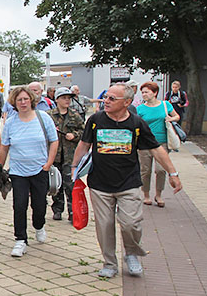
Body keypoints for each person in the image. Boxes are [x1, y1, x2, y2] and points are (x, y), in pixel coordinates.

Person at [71, 83, 182, 278]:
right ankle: (109, 263)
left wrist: (173, 174)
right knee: (104, 226)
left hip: (129, 183)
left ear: (127, 102)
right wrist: (73, 168)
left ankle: (131, 253)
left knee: (131, 223)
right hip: (100, 184)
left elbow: (156, 149)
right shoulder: (96, 120)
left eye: (112, 98)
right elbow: (84, 144)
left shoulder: (137, 123)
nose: (106, 101)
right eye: (106, 97)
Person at [0, 86, 59, 258]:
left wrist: (49, 163)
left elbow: (54, 141)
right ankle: (20, 239)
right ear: (14, 103)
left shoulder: (43, 118)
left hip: (39, 169)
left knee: (39, 205)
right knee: (19, 204)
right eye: (19, 100)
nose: (23, 103)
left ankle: (39, 225)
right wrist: (0, 167)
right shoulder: (10, 122)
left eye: (25, 99)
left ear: (31, 100)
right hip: (18, 171)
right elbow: (5, 146)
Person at [136, 81, 179, 207]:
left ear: (154, 93)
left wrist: (170, 119)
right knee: (145, 170)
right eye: (142, 92)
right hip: (144, 143)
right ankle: (146, 195)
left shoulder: (165, 105)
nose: (144, 94)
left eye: (146, 92)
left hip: (162, 142)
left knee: (161, 170)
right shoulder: (140, 109)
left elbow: (176, 116)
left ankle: (159, 194)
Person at [47, 87, 84, 221]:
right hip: (54, 155)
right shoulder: (49, 115)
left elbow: (83, 132)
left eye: (68, 98)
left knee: (70, 185)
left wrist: (74, 135)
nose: (67, 100)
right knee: (56, 184)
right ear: (57, 100)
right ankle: (57, 209)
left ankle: (72, 211)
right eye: (64, 98)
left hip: (70, 156)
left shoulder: (75, 115)